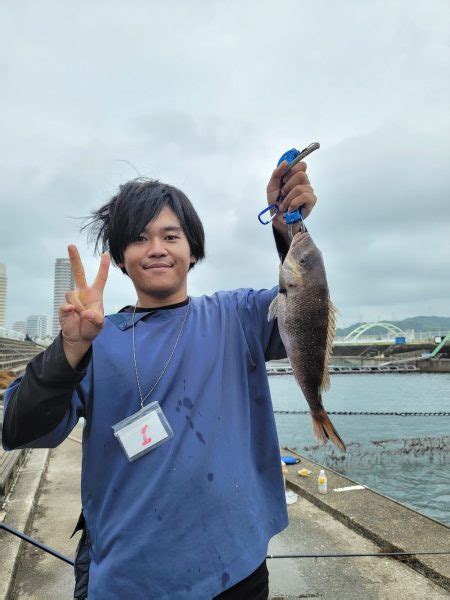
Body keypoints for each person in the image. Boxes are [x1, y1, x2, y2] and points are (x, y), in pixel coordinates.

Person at [2, 158, 317, 599]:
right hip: (130, 579)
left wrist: (289, 231)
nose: (156, 248)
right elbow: (19, 430)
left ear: (193, 251)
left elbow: (305, 306)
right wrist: (69, 349)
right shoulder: (94, 337)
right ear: (121, 259)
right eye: (139, 239)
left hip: (238, 568)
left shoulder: (237, 316)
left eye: (171, 236)